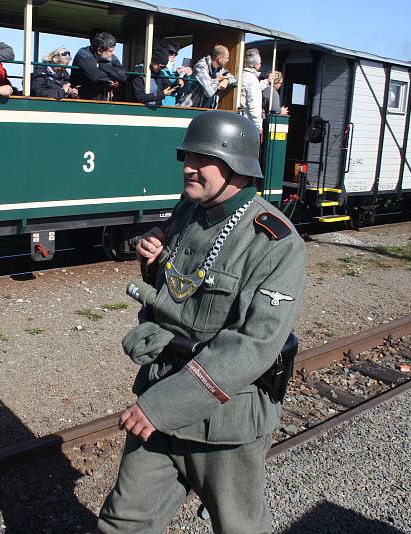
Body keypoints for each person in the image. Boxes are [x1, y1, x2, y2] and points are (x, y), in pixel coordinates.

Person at [98, 110, 306, 534]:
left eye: (203, 158)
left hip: (222, 422)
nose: (189, 167)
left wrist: (162, 406)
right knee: (122, 524)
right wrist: (155, 268)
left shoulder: (274, 241)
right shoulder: (188, 212)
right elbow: (183, 294)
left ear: (238, 167)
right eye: (188, 156)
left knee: (239, 527)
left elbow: (255, 344)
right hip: (159, 392)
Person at [70, 31, 127, 101]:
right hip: (83, 100)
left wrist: (101, 66)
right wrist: (113, 76)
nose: (112, 54)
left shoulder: (109, 55)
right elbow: (96, 76)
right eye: (110, 51)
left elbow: (123, 76)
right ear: (100, 50)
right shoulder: (83, 55)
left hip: (102, 99)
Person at [178, 45, 235, 109]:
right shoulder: (200, 67)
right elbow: (209, 91)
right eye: (226, 58)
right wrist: (218, 80)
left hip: (207, 110)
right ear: (219, 58)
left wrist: (226, 81)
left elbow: (234, 79)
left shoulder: (220, 70)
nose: (227, 60)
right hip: (190, 108)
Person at [240, 49, 270, 132]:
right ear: (256, 65)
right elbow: (254, 104)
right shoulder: (252, 79)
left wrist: (267, 81)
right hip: (247, 123)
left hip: (239, 118)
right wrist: (258, 126)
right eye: (260, 63)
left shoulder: (241, 75)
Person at [158, 41, 192, 106]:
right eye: (171, 52)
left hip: (172, 106)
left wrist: (187, 78)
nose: (173, 55)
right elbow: (166, 86)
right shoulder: (159, 70)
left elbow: (182, 91)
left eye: (175, 54)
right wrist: (176, 76)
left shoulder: (174, 72)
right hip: (159, 106)